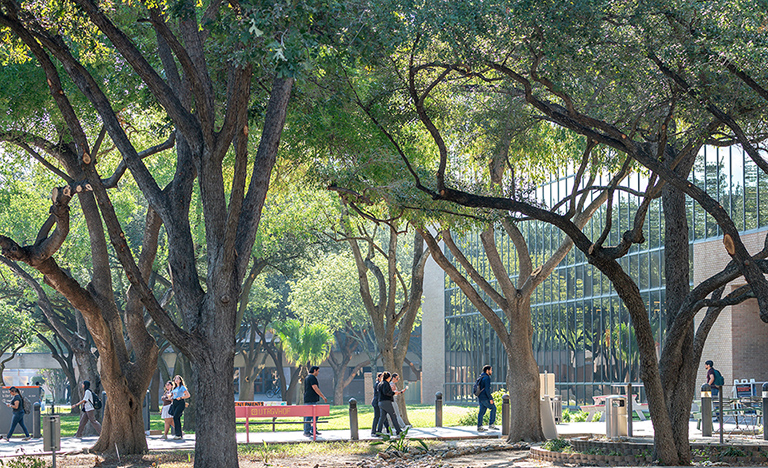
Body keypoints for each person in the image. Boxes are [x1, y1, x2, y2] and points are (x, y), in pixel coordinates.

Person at [303, 366, 328, 437]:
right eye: (318, 371)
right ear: (314, 370)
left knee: (315, 416)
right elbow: (315, 388)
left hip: (310, 400)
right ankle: (307, 431)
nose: (318, 373)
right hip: (310, 400)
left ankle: (313, 430)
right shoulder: (312, 378)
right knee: (309, 416)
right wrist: (323, 396)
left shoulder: (307, 377)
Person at [476, 365, 497, 432]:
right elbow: (487, 390)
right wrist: (490, 398)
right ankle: (491, 424)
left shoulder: (481, 377)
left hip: (480, 397)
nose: (491, 371)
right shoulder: (487, 378)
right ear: (487, 370)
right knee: (493, 408)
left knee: (481, 412)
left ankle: (479, 426)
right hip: (485, 397)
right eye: (491, 370)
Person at [171, 375, 190, 440]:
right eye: (175, 379)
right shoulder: (174, 388)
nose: (176, 380)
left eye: (177, 379)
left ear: (180, 380)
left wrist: (181, 397)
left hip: (180, 402)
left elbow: (188, 395)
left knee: (175, 416)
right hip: (175, 402)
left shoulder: (182, 387)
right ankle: (178, 434)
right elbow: (173, 396)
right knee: (177, 418)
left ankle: (178, 434)